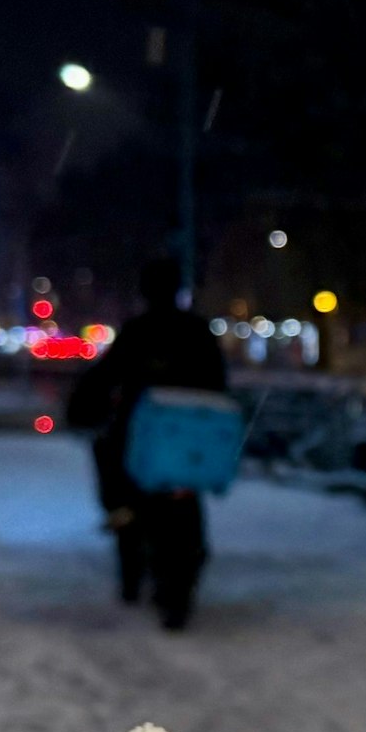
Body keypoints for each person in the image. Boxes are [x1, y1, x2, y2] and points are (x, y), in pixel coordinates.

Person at [68, 257, 228, 629]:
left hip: (144, 439)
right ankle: (175, 573)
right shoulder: (197, 330)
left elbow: (105, 376)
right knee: (187, 502)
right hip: (189, 440)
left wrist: (82, 406)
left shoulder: (137, 331)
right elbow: (219, 382)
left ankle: (130, 563)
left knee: (118, 481)